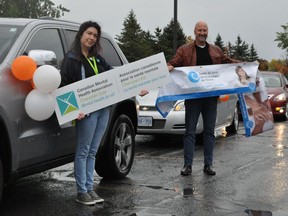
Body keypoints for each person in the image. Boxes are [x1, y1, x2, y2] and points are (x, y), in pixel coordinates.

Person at [60, 21, 148, 205]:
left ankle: (90, 189)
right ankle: (81, 191)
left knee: (93, 151)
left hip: (103, 110)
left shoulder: (98, 59)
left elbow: (116, 79)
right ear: (81, 34)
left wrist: (137, 87)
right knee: (83, 151)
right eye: (89, 33)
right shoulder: (71, 59)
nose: (91, 38)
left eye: (95, 36)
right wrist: (74, 110)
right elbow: (64, 85)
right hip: (87, 113)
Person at [167, 21, 240, 176]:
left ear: (208, 32)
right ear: (195, 31)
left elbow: (228, 63)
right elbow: (173, 63)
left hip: (211, 98)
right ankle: (187, 165)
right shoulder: (184, 50)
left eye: (205, 30)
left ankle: (208, 165)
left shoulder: (215, 51)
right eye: (200, 30)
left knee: (209, 132)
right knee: (190, 132)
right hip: (193, 98)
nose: (202, 33)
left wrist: (247, 66)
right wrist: (169, 66)